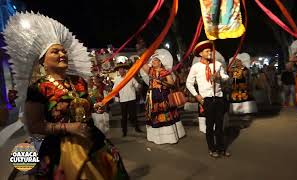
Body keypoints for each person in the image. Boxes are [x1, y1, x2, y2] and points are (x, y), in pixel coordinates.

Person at [3, 12, 128, 179]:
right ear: (43, 61)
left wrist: (95, 106)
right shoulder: (38, 88)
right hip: (59, 151)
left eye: (63, 51)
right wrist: (68, 128)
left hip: (93, 141)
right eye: (55, 51)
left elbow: (85, 106)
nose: (62, 54)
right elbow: (34, 125)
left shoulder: (78, 81)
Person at [186, 40, 230, 158]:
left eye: (210, 50)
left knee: (220, 126)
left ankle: (221, 148)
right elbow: (188, 83)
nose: (210, 52)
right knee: (209, 126)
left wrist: (219, 76)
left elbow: (226, 77)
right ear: (201, 53)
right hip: (207, 100)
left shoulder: (217, 64)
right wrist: (197, 96)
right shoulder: (196, 67)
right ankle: (212, 149)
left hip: (219, 98)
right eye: (207, 51)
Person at [142, 49, 186, 144]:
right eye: (152, 61)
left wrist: (162, 82)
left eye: (156, 60)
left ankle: (169, 137)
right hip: (153, 97)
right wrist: (149, 54)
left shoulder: (165, 71)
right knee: (155, 115)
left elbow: (171, 83)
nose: (153, 62)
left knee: (166, 114)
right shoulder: (150, 71)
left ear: (160, 62)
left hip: (163, 96)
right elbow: (141, 63)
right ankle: (157, 138)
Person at [113, 59, 142, 137]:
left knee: (133, 115)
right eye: (119, 69)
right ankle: (124, 131)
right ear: (118, 71)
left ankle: (137, 128)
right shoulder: (117, 79)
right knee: (124, 116)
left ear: (124, 69)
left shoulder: (130, 77)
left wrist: (138, 86)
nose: (121, 70)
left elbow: (136, 85)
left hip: (131, 99)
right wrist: (116, 97)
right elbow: (114, 90)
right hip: (123, 100)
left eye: (122, 69)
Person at [228, 53, 257, 118]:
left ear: (241, 61)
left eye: (238, 61)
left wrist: (248, 84)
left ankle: (245, 110)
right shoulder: (231, 68)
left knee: (244, 97)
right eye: (235, 61)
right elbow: (229, 77)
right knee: (235, 98)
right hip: (234, 86)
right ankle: (236, 111)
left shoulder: (245, 69)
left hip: (243, 85)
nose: (236, 62)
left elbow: (247, 77)